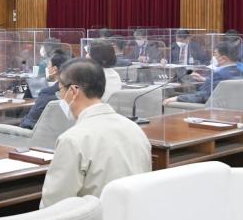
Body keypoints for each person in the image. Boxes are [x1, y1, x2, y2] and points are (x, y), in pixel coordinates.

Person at [40, 58, 151, 208]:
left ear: (73, 91)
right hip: (133, 217)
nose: (61, 96)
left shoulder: (72, 140)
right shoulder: (135, 130)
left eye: (60, 90)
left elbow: (53, 205)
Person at [163, 41, 243, 106]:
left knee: (165, 99)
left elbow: (202, 96)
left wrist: (177, 98)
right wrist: (204, 79)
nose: (213, 57)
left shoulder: (219, 74)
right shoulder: (239, 72)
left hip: (202, 107)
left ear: (224, 58)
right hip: (227, 106)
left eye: (215, 54)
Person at [19, 49, 69, 129]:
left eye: (49, 65)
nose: (47, 67)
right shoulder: (74, 92)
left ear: (55, 69)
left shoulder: (47, 93)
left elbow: (28, 123)